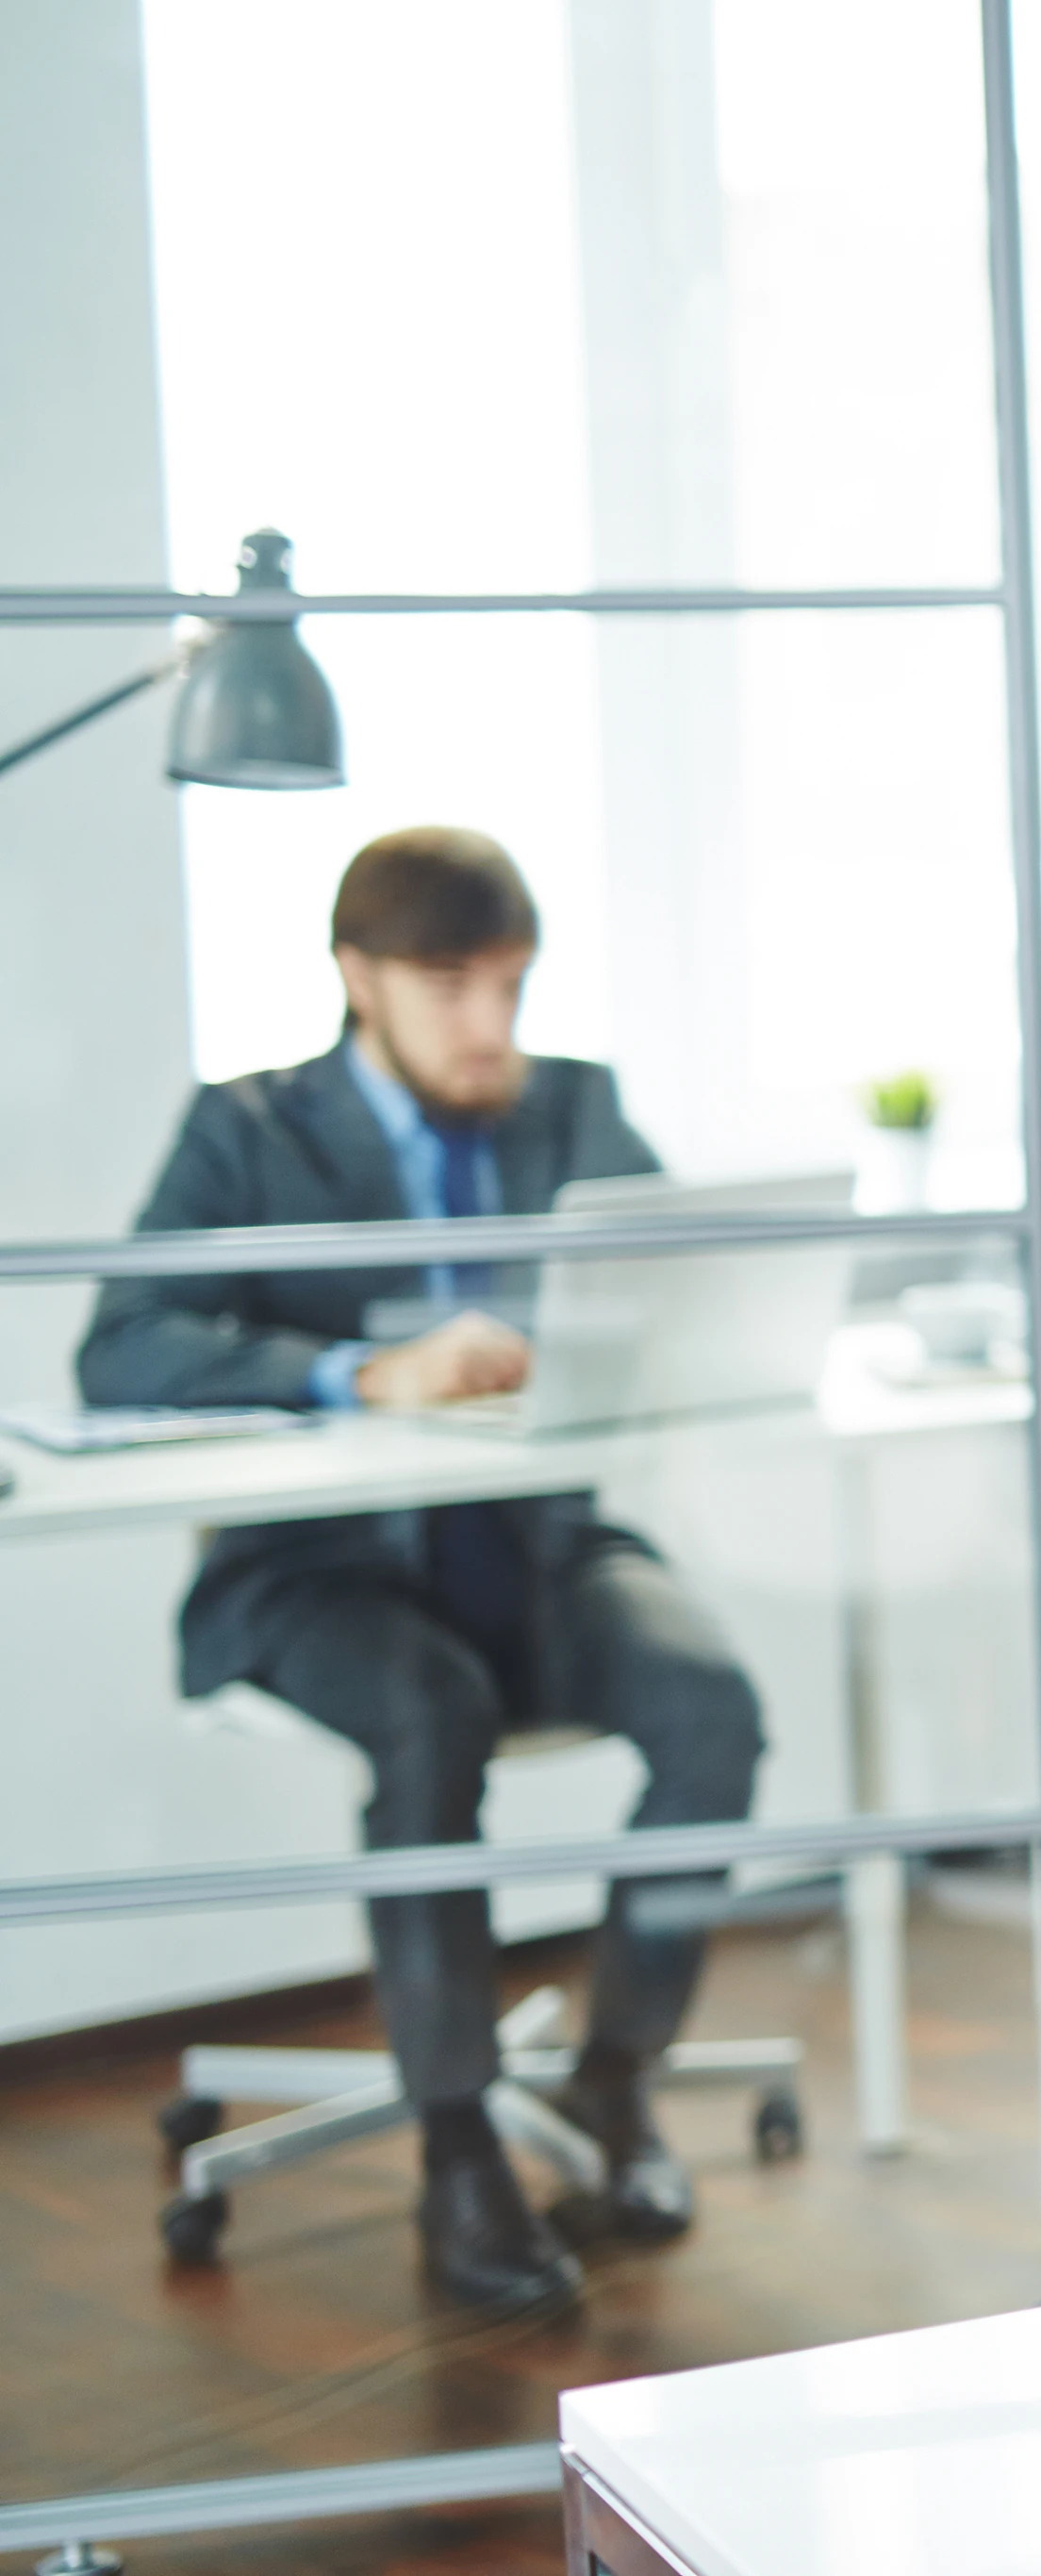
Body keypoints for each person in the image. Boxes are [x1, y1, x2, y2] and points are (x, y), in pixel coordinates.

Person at [79, 826, 765, 2310]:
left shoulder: (572, 1110)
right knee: (427, 1712)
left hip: (536, 1551)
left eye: (510, 986)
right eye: (451, 987)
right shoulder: (247, 1131)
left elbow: (693, 1283)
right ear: (357, 979)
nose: (489, 1027)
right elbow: (122, 1343)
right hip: (316, 1580)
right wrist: (358, 1369)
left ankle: (614, 2076)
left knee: (710, 1702)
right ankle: (459, 2146)